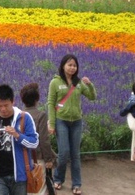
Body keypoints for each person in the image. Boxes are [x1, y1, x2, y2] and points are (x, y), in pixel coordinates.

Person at [47, 53, 96, 195]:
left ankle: (76, 183)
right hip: (61, 121)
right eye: (69, 65)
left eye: (74, 65)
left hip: (76, 122)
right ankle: (58, 179)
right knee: (63, 153)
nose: (72, 68)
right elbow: (50, 103)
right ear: (63, 66)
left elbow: (92, 97)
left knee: (75, 154)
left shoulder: (79, 83)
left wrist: (90, 85)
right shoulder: (55, 82)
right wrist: (51, 123)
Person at [0, 84, 39, 195]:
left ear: (13, 101)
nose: (3, 109)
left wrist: (18, 136)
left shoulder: (24, 117)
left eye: (6, 105)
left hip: (20, 176)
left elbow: (34, 143)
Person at [20, 83, 56, 171]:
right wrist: (48, 159)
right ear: (37, 99)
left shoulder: (19, 115)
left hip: (21, 157)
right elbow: (44, 139)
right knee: (39, 183)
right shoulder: (41, 115)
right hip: (37, 157)